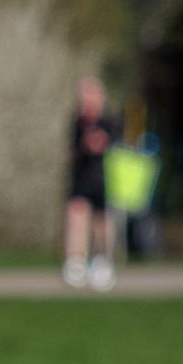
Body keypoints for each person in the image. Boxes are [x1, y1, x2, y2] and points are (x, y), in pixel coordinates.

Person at [62, 75, 119, 290]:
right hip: (81, 180)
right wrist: (84, 143)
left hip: (103, 181)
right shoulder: (77, 123)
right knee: (76, 216)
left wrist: (103, 143)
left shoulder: (109, 122)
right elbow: (73, 151)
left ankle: (101, 262)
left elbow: (116, 147)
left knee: (102, 223)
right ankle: (76, 261)